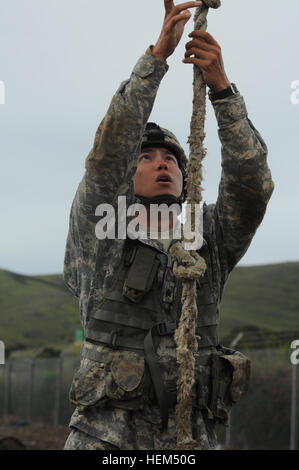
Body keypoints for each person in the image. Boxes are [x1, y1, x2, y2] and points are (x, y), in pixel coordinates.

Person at [63, 0, 274, 450]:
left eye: (171, 160)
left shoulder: (206, 238)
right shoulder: (101, 231)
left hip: (191, 440)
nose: (162, 164)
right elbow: (106, 158)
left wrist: (222, 91)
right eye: (147, 157)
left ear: (185, 176)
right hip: (105, 442)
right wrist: (156, 59)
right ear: (129, 172)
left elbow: (252, 187)